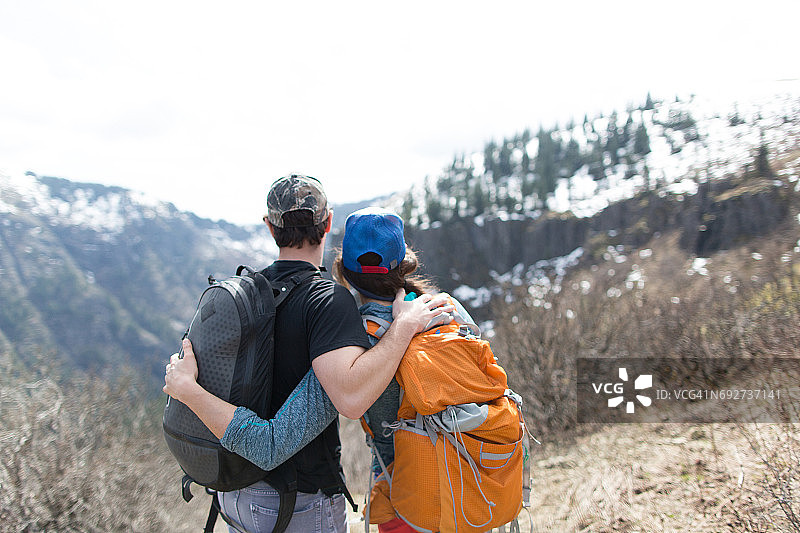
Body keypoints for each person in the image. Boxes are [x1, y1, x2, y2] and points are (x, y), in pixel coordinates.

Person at [163, 175, 453, 533]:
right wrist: (403, 328)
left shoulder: (250, 293)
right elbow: (347, 401)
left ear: (270, 227)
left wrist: (185, 388)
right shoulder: (328, 302)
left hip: (233, 492)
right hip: (295, 504)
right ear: (327, 223)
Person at [332, 206, 479, 533]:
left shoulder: (356, 338)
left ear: (345, 271)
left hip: (405, 496)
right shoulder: (446, 307)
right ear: (405, 264)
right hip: (467, 484)